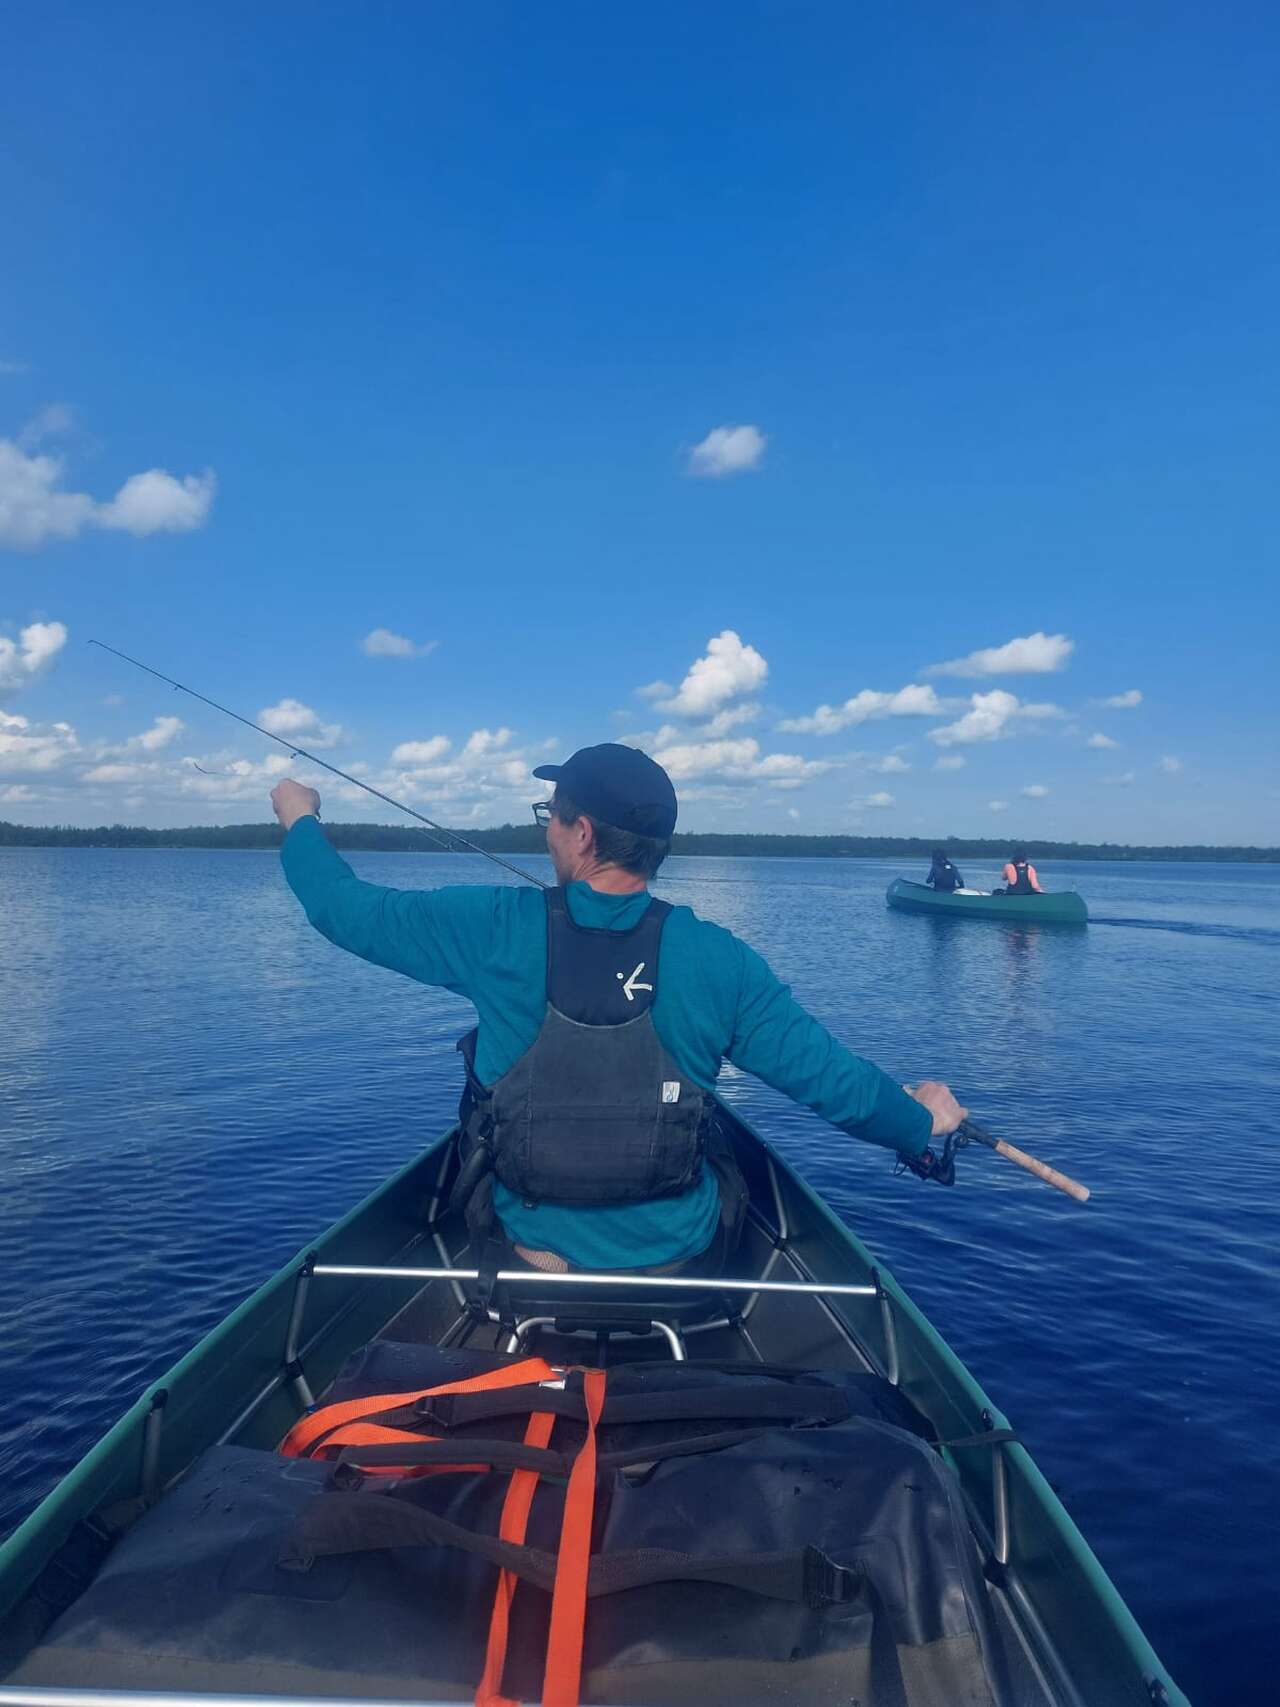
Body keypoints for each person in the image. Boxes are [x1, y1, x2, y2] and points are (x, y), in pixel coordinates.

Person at [270, 743, 967, 1275]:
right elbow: (833, 1083)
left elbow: (342, 908)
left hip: (525, 1251)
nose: (547, 833)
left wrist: (301, 817)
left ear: (582, 836)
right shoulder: (719, 958)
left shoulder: (491, 926)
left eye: (553, 817)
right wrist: (918, 1119)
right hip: (679, 1260)